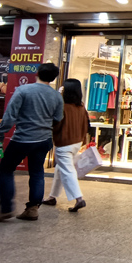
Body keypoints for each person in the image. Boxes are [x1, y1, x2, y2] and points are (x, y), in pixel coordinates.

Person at [0, 63, 64, 222]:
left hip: (23, 138)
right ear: (54, 78)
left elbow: (10, 117)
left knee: (6, 170)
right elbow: (58, 119)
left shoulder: (23, 90)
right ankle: (32, 209)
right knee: (37, 172)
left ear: (37, 73)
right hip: (44, 140)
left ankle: (5, 209)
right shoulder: (57, 96)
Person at [43, 79, 90, 212]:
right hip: (76, 143)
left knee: (67, 170)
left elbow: (56, 124)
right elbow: (86, 125)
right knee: (60, 168)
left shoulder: (62, 106)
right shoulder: (81, 106)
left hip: (64, 143)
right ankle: (52, 196)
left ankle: (79, 198)